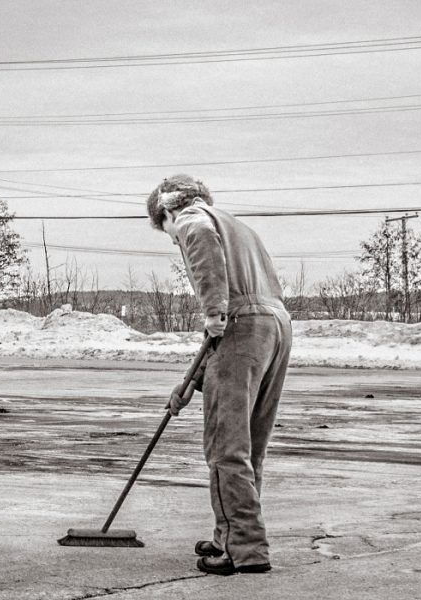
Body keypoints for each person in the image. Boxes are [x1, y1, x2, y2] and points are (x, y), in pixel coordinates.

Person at [146, 174, 292, 576]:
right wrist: (191, 384)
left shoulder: (193, 218)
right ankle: (230, 534)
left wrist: (213, 311)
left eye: (168, 233)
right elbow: (235, 324)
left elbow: (222, 306)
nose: (175, 240)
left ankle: (244, 550)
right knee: (248, 445)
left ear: (168, 210)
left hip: (244, 325)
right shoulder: (237, 226)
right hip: (275, 326)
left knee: (226, 447)